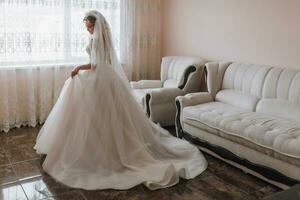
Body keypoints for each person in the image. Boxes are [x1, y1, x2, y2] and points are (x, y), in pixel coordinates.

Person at [34, 10, 207, 190]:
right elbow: (101, 62)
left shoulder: (97, 39)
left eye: (90, 26)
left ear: (97, 25)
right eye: (87, 27)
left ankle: (98, 151)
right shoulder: (102, 38)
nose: (88, 30)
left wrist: (78, 67)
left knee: (93, 109)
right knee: (103, 115)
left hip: (101, 78)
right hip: (106, 77)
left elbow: (95, 64)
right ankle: (98, 147)